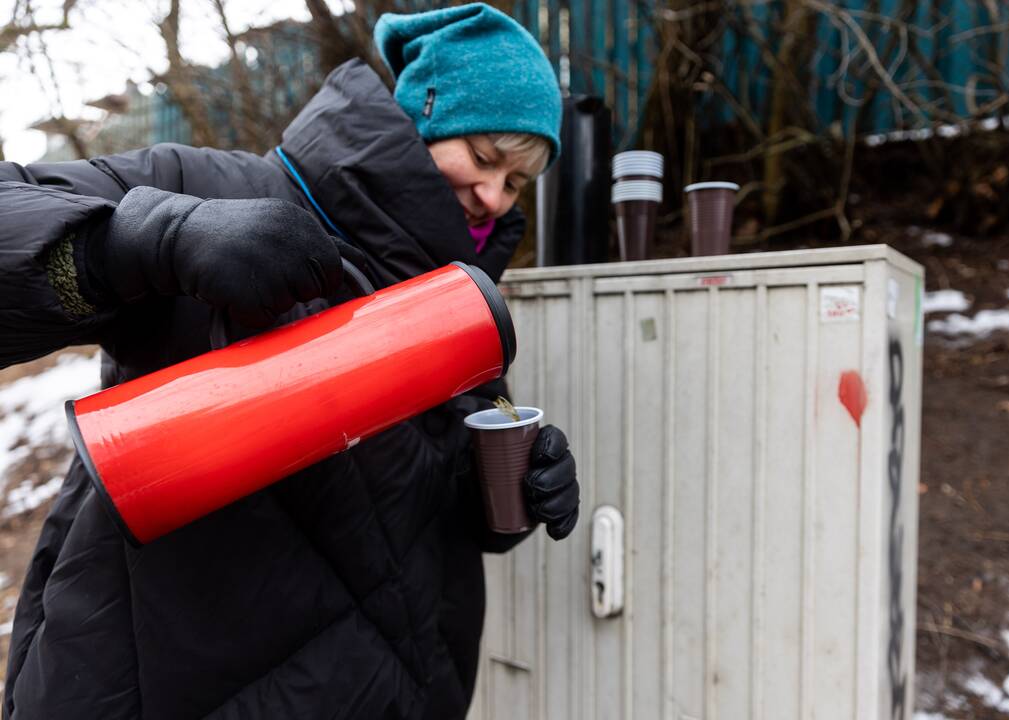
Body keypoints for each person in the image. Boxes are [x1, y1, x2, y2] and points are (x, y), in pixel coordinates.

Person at [0, 4, 579, 718]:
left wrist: (513, 493)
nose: (493, 196)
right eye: (486, 157)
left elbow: (427, 507)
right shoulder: (211, 189)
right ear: (420, 115)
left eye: (517, 183)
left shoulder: (458, 297)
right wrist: (147, 242)